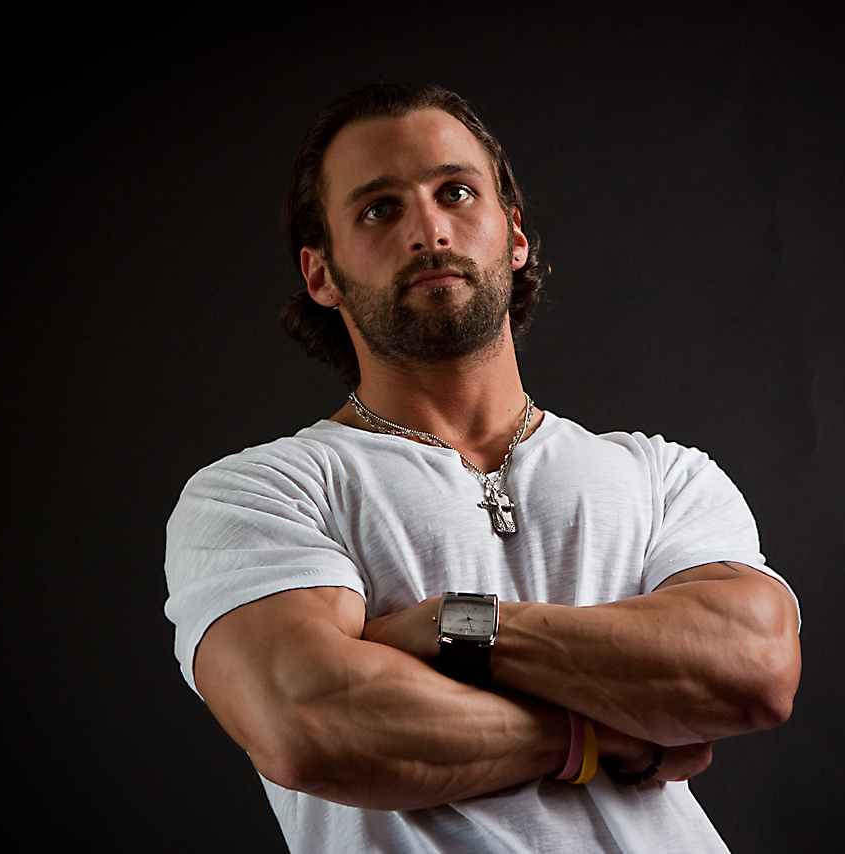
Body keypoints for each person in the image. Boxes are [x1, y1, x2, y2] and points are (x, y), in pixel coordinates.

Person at [165, 83, 801, 853]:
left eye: (456, 193)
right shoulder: (261, 493)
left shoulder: (663, 475)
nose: (429, 229)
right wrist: (593, 740)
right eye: (379, 210)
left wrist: (448, 626)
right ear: (320, 274)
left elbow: (755, 666)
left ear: (515, 235)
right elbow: (310, 722)